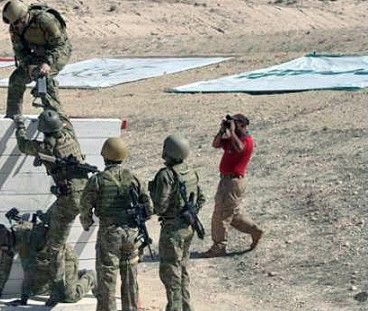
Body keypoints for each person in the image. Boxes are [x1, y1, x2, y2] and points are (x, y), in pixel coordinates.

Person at [13, 110, 89, 306]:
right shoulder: (70, 136)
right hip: (84, 195)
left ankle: (57, 291)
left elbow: (23, 145)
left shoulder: (46, 148)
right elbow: (65, 117)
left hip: (68, 201)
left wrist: (20, 125)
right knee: (47, 221)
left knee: (55, 248)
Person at [79, 137, 153, 311]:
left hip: (109, 234)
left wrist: (87, 223)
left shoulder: (98, 180)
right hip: (131, 235)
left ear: (104, 156)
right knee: (130, 279)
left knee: (107, 279)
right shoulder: (133, 177)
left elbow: (84, 206)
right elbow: (149, 208)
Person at [149, 134, 205, 311]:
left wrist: (151, 196)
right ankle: (186, 306)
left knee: (170, 273)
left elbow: (160, 206)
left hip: (172, 230)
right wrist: (189, 212)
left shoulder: (166, 175)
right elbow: (201, 198)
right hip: (187, 227)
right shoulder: (190, 172)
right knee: (182, 270)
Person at [0, 220, 96, 306]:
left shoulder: (29, 236)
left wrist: (23, 299)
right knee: (38, 290)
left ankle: (90, 276)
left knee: (68, 296)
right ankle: (74, 277)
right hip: (46, 262)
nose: (3, 249)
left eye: (2, 247)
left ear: (5, 239)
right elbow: (5, 265)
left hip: (63, 259)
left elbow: (31, 269)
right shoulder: (9, 240)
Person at [202, 114, 264, 258]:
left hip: (233, 182)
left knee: (220, 215)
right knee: (232, 214)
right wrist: (222, 130)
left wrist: (232, 131)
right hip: (226, 181)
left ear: (242, 126)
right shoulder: (232, 138)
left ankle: (219, 246)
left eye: (236, 124)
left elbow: (240, 148)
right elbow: (216, 144)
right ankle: (255, 231)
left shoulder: (247, 140)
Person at [2, 0, 72, 118]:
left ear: (25, 16)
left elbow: (59, 45)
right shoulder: (15, 27)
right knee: (16, 79)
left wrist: (47, 63)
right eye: (13, 23)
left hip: (59, 52)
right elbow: (19, 50)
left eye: (18, 22)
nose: (15, 26)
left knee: (44, 79)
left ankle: (56, 118)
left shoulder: (46, 20)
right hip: (37, 54)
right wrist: (28, 64)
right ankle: (13, 116)